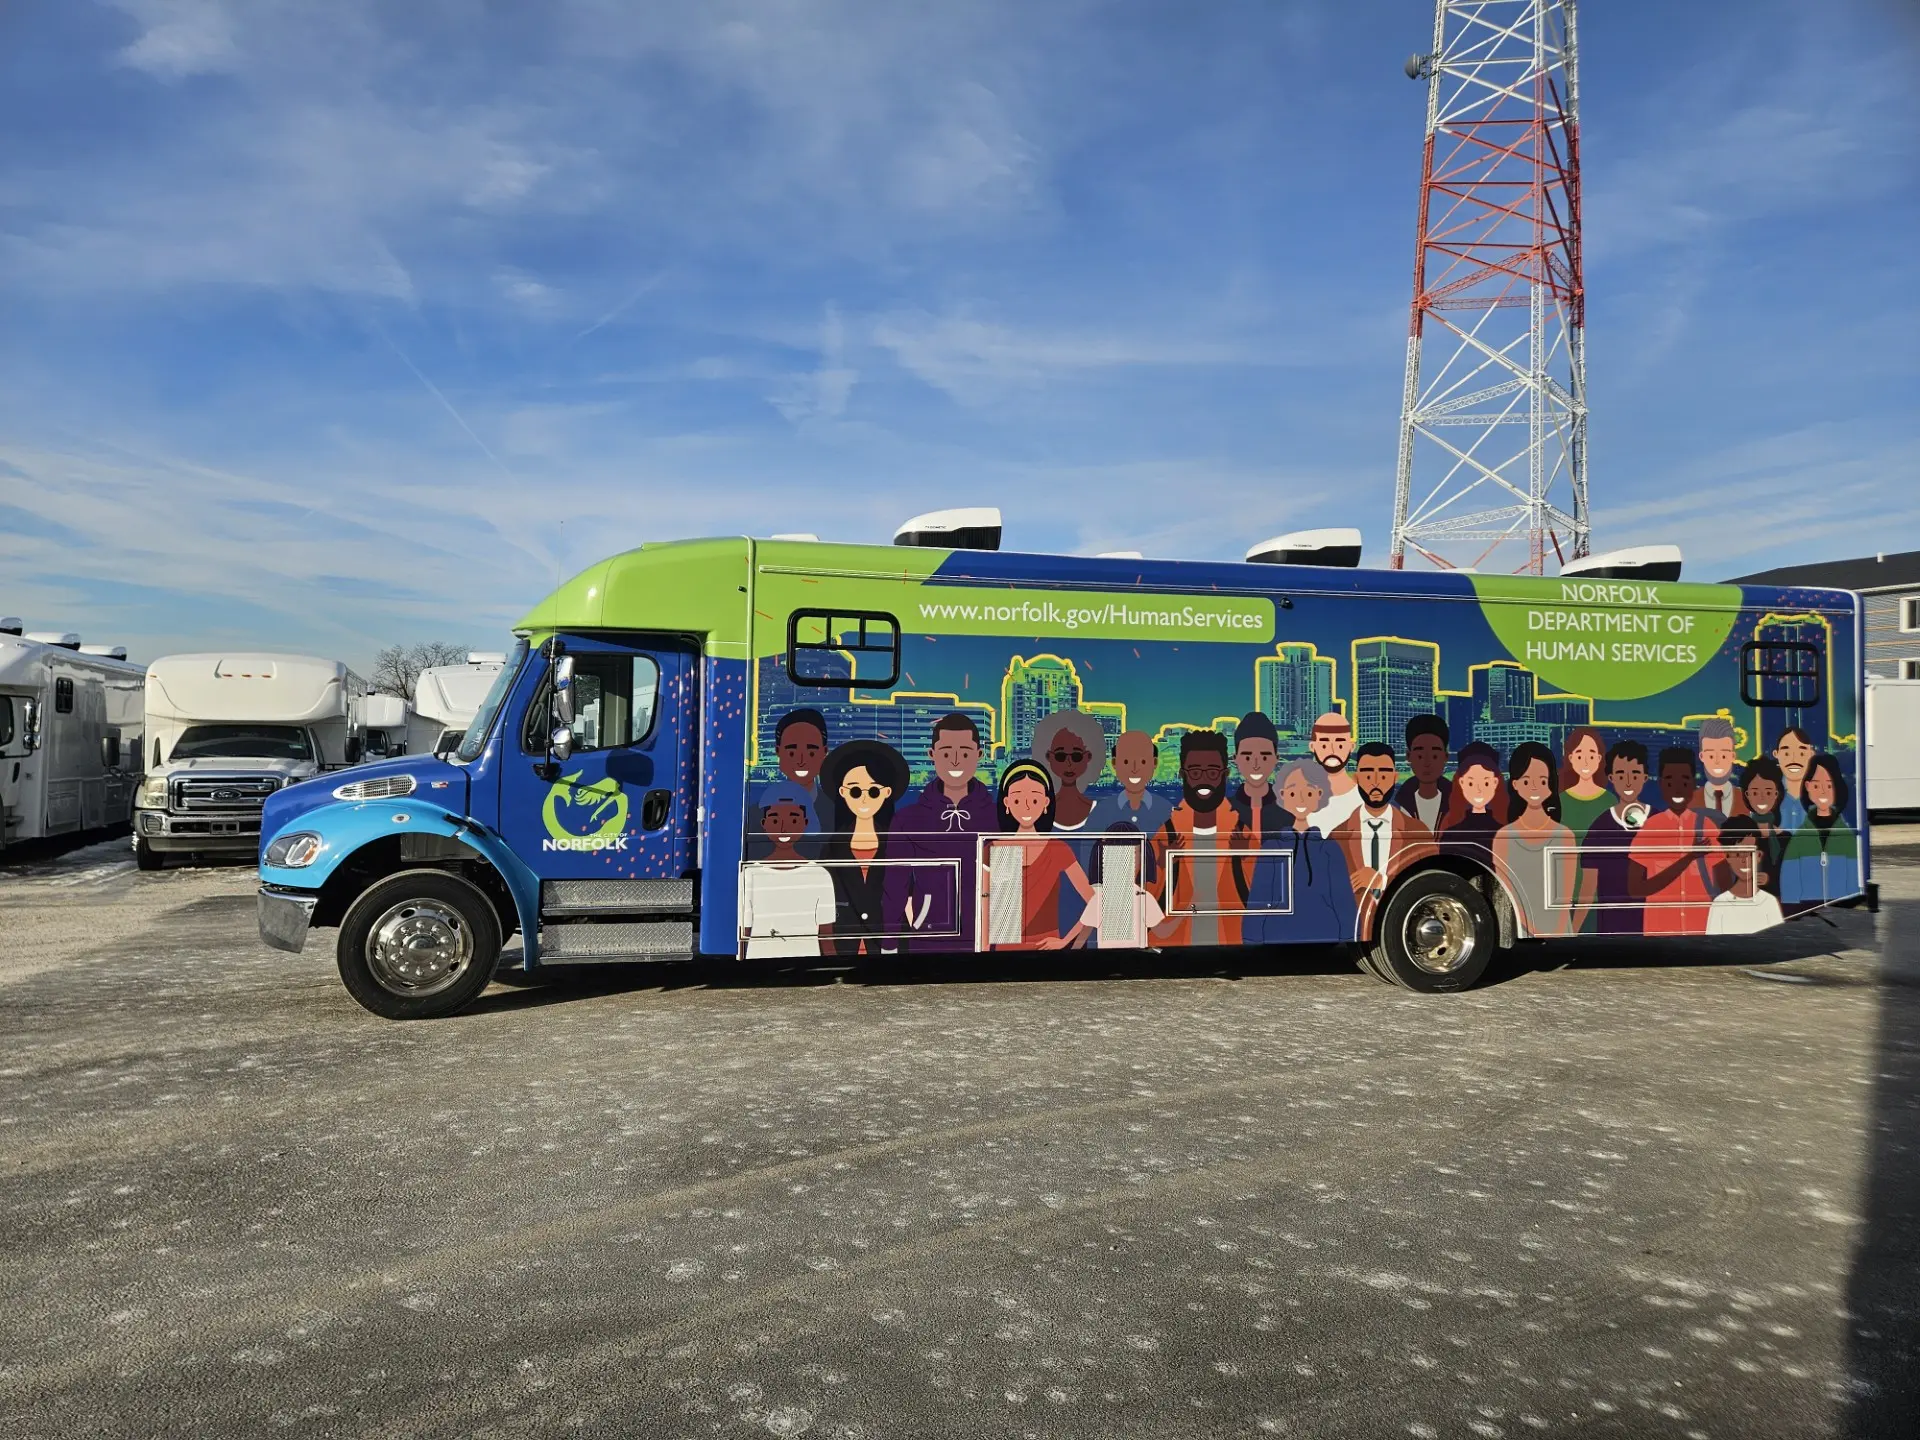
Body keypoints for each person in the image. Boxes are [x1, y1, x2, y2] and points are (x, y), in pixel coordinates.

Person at [884, 713, 998, 953]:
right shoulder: (907, 819)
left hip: (986, 937)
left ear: (979, 755)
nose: (955, 762)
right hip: (927, 938)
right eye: (946, 753)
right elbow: (895, 886)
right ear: (932, 755)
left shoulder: (998, 818)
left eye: (965, 753)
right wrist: (889, 944)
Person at [980, 761, 1099, 950]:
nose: (1026, 807)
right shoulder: (994, 848)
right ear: (1007, 803)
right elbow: (984, 908)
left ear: (1045, 803)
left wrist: (1065, 942)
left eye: (1034, 800)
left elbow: (1094, 903)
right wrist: (984, 951)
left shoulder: (1057, 849)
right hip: (1004, 950)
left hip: (1046, 948)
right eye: (1018, 800)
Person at [1148, 730, 1248, 947]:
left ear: (1225, 774)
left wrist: (1245, 858)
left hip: (1231, 934)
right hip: (1177, 934)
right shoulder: (1166, 833)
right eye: (1195, 772)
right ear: (1183, 775)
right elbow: (1144, 900)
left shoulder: (1242, 832)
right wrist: (1162, 864)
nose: (1204, 779)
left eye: (1212, 772)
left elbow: (1261, 893)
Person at [1331, 743, 1436, 939]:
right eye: (1368, 774)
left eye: (1385, 773)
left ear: (1395, 777)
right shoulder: (1337, 835)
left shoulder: (1418, 832)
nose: (1376, 782)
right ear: (1357, 778)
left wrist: (1381, 881)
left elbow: (1429, 884)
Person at [817, 739, 910, 958]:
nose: (865, 799)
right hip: (843, 941)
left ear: (887, 792)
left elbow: (908, 897)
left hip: (889, 943)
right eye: (856, 791)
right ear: (843, 792)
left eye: (874, 792)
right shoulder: (832, 846)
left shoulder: (898, 843)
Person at [1247, 759, 1357, 943]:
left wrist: (1350, 932)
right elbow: (1259, 897)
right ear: (1282, 795)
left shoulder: (1329, 849)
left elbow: (1343, 899)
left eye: (1308, 792)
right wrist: (1251, 935)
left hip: (1325, 925)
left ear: (1319, 794)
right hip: (1275, 930)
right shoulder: (1272, 848)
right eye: (1292, 792)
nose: (1300, 799)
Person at [1630, 747, 1730, 936]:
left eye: (1684, 781)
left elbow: (1724, 888)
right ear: (1660, 784)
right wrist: (1688, 858)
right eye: (1669, 781)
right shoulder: (1650, 829)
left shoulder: (1707, 827)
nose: (1677, 788)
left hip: (1703, 931)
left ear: (1693, 784)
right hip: (1659, 932)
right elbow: (1635, 889)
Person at [1033, 709, 1108, 946]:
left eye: (1076, 756)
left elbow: (1097, 898)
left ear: (1089, 758)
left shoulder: (1103, 815)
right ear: (1047, 757)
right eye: (1060, 756)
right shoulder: (1033, 818)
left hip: (1091, 928)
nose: (1068, 763)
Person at [1494, 741, 1583, 937]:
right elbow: (1507, 894)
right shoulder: (1503, 837)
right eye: (1527, 781)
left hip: (1557, 926)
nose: (1534, 787)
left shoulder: (1564, 836)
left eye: (1542, 780)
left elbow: (1565, 897)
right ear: (1515, 784)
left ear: (1551, 784)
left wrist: (1558, 933)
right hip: (1521, 925)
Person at [737, 785, 836, 958]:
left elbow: (826, 936)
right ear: (764, 824)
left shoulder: (821, 875)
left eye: (793, 820)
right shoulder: (749, 874)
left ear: (805, 823)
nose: (784, 828)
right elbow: (744, 932)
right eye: (775, 821)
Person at [1582, 741, 1649, 936]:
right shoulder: (1599, 826)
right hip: (1612, 921)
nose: (1628, 782)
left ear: (1645, 777)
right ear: (1611, 778)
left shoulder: (1658, 822)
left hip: (1650, 919)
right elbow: (1588, 888)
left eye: (1635, 774)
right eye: (1621, 774)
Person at [1229, 713, 1287, 932]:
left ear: (1276, 758)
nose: (1255, 764)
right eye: (1246, 756)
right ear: (1235, 758)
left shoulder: (1289, 812)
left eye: (1264, 756)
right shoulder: (1225, 811)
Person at [1094, 729, 1173, 890]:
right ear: (1115, 764)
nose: (1135, 769)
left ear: (1154, 763)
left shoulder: (1167, 811)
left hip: (1156, 897)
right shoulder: (1101, 812)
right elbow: (1091, 865)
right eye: (1126, 762)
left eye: (1143, 761)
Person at [1777, 753, 1859, 906]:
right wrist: (1791, 905)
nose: (1822, 791)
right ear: (1807, 787)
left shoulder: (1846, 834)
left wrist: (1851, 902)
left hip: (1840, 906)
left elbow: (1853, 876)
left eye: (1829, 785)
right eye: (1816, 785)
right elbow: (1790, 875)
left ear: (1837, 788)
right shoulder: (1800, 835)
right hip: (1806, 907)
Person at [754, 708, 829, 856]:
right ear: (778, 751)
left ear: (824, 752)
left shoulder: (837, 811)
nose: (801, 761)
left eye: (811, 752)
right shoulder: (756, 813)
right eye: (792, 752)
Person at [1706, 816, 1785, 935]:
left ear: (1758, 856)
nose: (1744, 860)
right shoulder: (1720, 904)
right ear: (1728, 857)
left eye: (1749, 852)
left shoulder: (1769, 902)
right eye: (1737, 854)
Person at [1436, 742, 1506, 869]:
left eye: (1485, 783)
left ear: (1495, 783)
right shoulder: (1450, 832)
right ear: (1461, 782)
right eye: (1471, 783)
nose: (1478, 790)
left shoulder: (1505, 832)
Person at [1307, 712, 1363, 836]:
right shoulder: (1298, 799)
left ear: (1351, 746)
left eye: (1340, 743)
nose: (1332, 750)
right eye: (1324, 743)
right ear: (1312, 746)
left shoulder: (1365, 798)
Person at [1739, 756, 1789, 896]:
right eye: (1755, 792)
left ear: (1776, 795)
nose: (1761, 798)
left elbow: (1791, 878)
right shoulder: (1739, 836)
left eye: (1768, 792)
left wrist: (1770, 879)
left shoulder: (1786, 838)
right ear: (1747, 794)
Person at [1394, 714, 1453, 830]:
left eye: (1434, 756)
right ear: (1408, 756)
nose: (1427, 763)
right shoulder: (1396, 803)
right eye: (1420, 756)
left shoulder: (1461, 805)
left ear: (1445, 757)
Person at [1691, 717, 1746, 822]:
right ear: (1701, 756)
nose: (1717, 761)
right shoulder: (1691, 800)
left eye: (1724, 756)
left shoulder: (1747, 800)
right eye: (1711, 756)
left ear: (1733, 756)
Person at [1772, 726, 1816, 830]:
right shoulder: (1767, 794)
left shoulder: (1822, 795)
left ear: (1811, 754)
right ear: (1776, 754)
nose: (1794, 759)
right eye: (1786, 753)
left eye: (1801, 753)